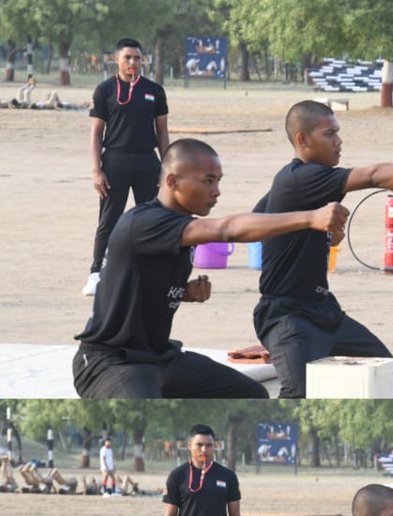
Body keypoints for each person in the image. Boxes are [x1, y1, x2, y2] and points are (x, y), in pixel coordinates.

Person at [73, 137, 348, 401]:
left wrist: (183, 292)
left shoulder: (175, 225)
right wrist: (311, 217)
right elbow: (225, 229)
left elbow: (129, 284)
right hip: (110, 362)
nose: (216, 191)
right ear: (172, 181)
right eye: (207, 181)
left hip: (160, 357)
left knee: (251, 395)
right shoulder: (146, 222)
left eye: (218, 181)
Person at [253, 100, 393, 398]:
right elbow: (374, 175)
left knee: (389, 375)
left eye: (337, 132)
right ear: (302, 139)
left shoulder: (297, 180)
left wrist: (313, 231)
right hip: (287, 316)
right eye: (329, 134)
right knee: (298, 393)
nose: (339, 141)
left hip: (324, 310)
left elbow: (259, 216)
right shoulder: (300, 179)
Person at [83, 38, 169, 296]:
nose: (133, 63)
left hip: (147, 161)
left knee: (153, 217)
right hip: (115, 161)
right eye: (127, 58)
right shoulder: (105, 90)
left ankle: (154, 272)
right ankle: (97, 273)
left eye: (137, 58)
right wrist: (96, 169)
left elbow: (163, 133)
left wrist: (167, 168)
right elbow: (96, 134)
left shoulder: (155, 90)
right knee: (108, 220)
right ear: (117, 60)